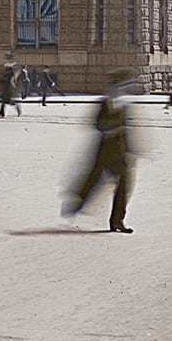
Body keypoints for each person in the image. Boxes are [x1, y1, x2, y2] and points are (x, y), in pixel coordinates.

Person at [63, 73, 135, 232]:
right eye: (115, 88)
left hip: (120, 153)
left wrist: (131, 151)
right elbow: (96, 124)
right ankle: (76, 203)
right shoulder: (103, 104)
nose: (117, 91)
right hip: (103, 152)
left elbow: (126, 131)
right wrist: (110, 129)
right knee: (92, 181)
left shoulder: (124, 106)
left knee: (124, 185)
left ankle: (117, 221)